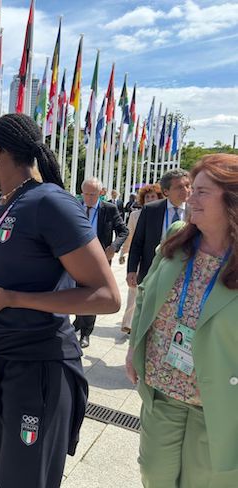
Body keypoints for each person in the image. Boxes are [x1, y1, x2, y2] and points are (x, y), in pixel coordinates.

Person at [0, 113, 120, 488]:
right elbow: (4, 274)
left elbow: (106, 297)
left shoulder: (51, 203)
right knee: (0, 468)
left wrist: (12, 298)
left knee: (26, 479)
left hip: (37, 365)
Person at [125, 154, 238, 487]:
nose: (191, 197)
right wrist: (134, 348)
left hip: (216, 403)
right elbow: (146, 293)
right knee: (154, 475)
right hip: (163, 392)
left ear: (231, 200)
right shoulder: (178, 236)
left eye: (202, 192)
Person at [73, 177, 128, 348]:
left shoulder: (109, 209)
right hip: (75, 257)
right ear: (82, 193)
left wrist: (114, 247)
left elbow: (123, 231)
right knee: (76, 291)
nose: (89, 198)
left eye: (93, 194)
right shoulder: (74, 206)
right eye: (87, 194)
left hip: (99, 259)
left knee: (92, 294)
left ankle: (86, 332)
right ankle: (78, 320)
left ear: (101, 193)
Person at [127, 168, 191, 288]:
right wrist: (132, 270)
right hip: (153, 271)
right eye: (179, 187)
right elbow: (137, 242)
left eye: (188, 186)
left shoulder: (196, 210)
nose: (186, 190)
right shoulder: (151, 210)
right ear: (166, 192)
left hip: (184, 273)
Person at [119, 184, 163, 334]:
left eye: (153, 196)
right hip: (138, 257)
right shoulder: (135, 215)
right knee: (133, 290)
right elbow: (131, 237)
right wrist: (124, 253)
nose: (150, 199)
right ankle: (128, 323)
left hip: (154, 258)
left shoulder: (163, 215)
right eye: (147, 197)